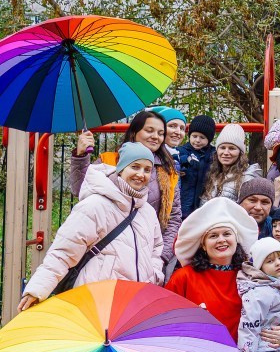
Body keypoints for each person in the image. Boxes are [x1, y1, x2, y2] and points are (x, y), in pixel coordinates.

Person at [166, 198, 276, 352]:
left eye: (227, 233)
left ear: (236, 239)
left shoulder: (250, 278)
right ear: (202, 244)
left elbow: (276, 313)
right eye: (213, 236)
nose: (221, 240)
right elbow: (167, 323)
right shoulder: (184, 277)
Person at [18, 143, 163, 310]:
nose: (141, 174)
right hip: (96, 299)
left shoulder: (147, 212)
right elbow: (64, 251)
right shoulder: (95, 206)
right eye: (135, 167)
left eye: (147, 169)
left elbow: (156, 248)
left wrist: (153, 276)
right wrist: (37, 289)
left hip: (134, 301)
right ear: (121, 168)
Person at [69, 110, 184, 264]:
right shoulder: (109, 161)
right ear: (134, 131)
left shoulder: (167, 172)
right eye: (149, 130)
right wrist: (81, 156)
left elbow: (174, 218)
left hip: (145, 254)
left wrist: (161, 257)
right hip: (106, 252)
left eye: (160, 133)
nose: (156, 136)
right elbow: (80, 189)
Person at [202, 123, 263, 206]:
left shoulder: (247, 178)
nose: (226, 153)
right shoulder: (213, 174)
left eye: (232, 148)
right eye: (222, 147)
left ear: (240, 152)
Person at [178, 114, 217, 214]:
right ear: (189, 136)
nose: (197, 140)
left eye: (202, 137)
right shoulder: (181, 152)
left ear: (209, 139)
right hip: (184, 200)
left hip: (203, 201)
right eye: (194, 136)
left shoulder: (213, 154)